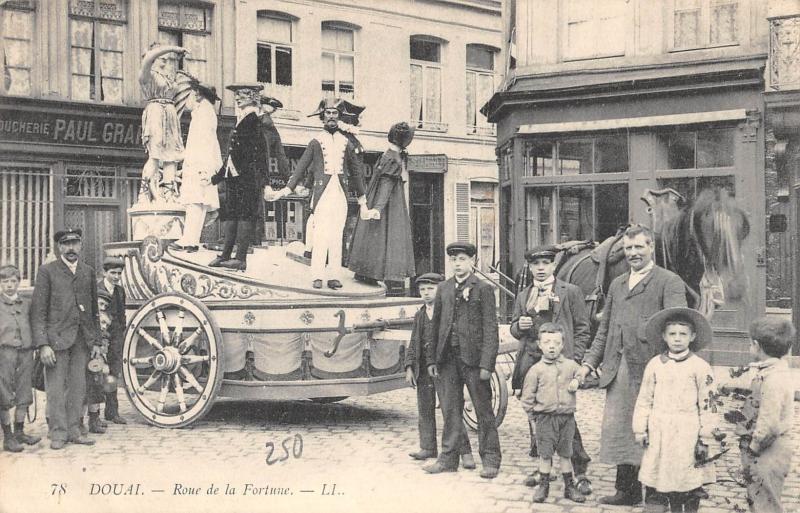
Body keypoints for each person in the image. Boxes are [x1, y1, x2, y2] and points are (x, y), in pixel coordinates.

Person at [577, 224, 687, 506]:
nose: (634, 253)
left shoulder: (669, 281)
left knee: (652, 429)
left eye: (639, 247)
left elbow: (677, 325)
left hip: (654, 369)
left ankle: (655, 493)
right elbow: (605, 330)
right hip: (619, 367)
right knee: (622, 428)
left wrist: (672, 366)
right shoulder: (617, 284)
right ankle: (626, 490)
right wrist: (589, 363)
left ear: (651, 247)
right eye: (628, 248)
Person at [509, 245, 592, 492]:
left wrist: (574, 359)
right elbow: (513, 327)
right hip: (533, 363)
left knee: (565, 416)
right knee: (536, 415)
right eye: (536, 265)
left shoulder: (571, 291)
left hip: (561, 364)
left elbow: (582, 328)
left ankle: (580, 470)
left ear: (553, 265)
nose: (541, 269)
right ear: (530, 267)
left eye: (546, 263)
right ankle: (543, 465)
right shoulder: (524, 295)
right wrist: (520, 325)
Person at [272, 98, 374, 289]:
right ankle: (317, 275)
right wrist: (286, 189)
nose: (331, 117)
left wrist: (363, 201)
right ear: (323, 116)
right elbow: (301, 167)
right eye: (328, 113)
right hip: (322, 196)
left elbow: (357, 173)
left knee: (336, 236)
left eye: (335, 114)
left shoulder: (346, 143)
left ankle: (334, 276)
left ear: (339, 117)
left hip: (340, 196)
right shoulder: (315, 142)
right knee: (320, 236)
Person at [423, 242, 501, 479]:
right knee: (450, 410)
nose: (458, 264)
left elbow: (491, 329)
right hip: (447, 359)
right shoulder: (444, 289)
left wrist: (487, 364)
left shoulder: (484, 289)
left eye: (462, 259)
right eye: (454, 260)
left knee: (483, 410)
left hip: (474, 361)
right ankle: (448, 459)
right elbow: (434, 327)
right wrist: (432, 360)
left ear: (472, 262)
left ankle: (490, 459)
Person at [633, 307, 717, 512]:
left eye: (683, 334)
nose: (677, 339)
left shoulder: (700, 367)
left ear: (692, 336)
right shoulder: (654, 365)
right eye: (672, 334)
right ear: (664, 336)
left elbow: (709, 404)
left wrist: (705, 436)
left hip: (686, 431)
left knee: (686, 478)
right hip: (659, 428)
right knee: (657, 476)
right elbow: (645, 398)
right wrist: (640, 428)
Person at [30, 229, 102, 449]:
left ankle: (74, 430)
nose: (71, 248)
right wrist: (43, 345)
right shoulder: (47, 271)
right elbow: (38, 311)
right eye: (66, 244)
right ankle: (58, 433)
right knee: (56, 389)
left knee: (78, 388)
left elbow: (93, 310)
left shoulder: (87, 272)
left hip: (81, 340)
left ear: (81, 245)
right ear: (59, 247)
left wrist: (96, 341)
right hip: (56, 341)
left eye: (75, 243)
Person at [404, 272, 475, 470]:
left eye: (430, 289)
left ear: (440, 290)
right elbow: (414, 341)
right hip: (423, 368)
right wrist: (409, 366)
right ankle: (427, 446)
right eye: (422, 290)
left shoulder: (446, 313)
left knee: (450, 410)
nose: (426, 293)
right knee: (425, 408)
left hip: (443, 366)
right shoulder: (420, 314)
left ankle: (466, 452)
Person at [521, 323, 586, 503]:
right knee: (545, 455)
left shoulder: (570, 365)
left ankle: (569, 487)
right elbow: (527, 398)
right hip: (545, 419)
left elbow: (582, 373)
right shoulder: (535, 371)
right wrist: (533, 419)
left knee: (566, 454)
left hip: (566, 419)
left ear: (562, 345)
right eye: (547, 342)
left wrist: (577, 381)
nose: (551, 346)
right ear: (540, 345)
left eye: (556, 343)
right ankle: (543, 486)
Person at [737, 317, 796, 513]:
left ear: (757, 346)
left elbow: (769, 423)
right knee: (759, 498)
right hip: (768, 446)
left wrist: (754, 447)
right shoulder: (771, 371)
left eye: (750, 343)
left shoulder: (773, 379)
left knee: (766, 503)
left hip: (768, 449)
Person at [209, 83, 269, 271]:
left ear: (253, 97)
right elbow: (233, 154)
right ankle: (226, 255)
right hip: (235, 178)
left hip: (248, 178)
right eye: (237, 95)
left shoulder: (255, 120)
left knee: (245, 215)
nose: (238, 97)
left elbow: (261, 154)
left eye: (242, 94)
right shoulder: (243, 118)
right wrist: (218, 177)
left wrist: (263, 181)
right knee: (232, 214)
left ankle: (240, 258)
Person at [348, 122, 416, 286]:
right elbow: (386, 184)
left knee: (374, 235)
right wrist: (378, 208)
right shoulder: (393, 158)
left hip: (380, 198)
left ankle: (368, 272)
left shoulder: (389, 155)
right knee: (385, 234)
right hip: (389, 203)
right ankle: (373, 272)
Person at [170, 81, 222, 252]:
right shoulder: (204, 112)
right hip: (200, 164)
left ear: (199, 94)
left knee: (195, 203)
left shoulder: (204, 113)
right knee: (197, 203)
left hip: (200, 164)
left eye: (193, 93)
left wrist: (202, 168)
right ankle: (191, 240)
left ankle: (189, 240)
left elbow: (205, 143)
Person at [138, 43, 188, 203]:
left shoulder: (166, 77)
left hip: (170, 113)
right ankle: (144, 192)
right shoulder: (147, 74)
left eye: (167, 59)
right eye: (162, 57)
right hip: (156, 112)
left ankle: (169, 192)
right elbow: (149, 58)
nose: (165, 61)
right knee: (155, 153)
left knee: (171, 156)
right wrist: (172, 48)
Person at [0, 264, 41, 452]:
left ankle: (19, 431)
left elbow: (35, 323)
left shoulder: (27, 303)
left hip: (26, 352)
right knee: (4, 393)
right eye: (5, 281)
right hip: (4, 353)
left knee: (24, 392)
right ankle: (8, 437)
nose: (9, 285)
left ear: (19, 282)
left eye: (13, 281)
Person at [99, 256, 127, 425]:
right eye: (113, 273)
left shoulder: (120, 291)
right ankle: (93, 413)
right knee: (97, 374)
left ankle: (112, 412)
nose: (116, 277)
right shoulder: (96, 287)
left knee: (113, 374)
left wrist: (120, 332)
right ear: (105, 272)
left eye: (119, 273)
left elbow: (122, 314)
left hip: (115, 337)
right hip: (100, 338)